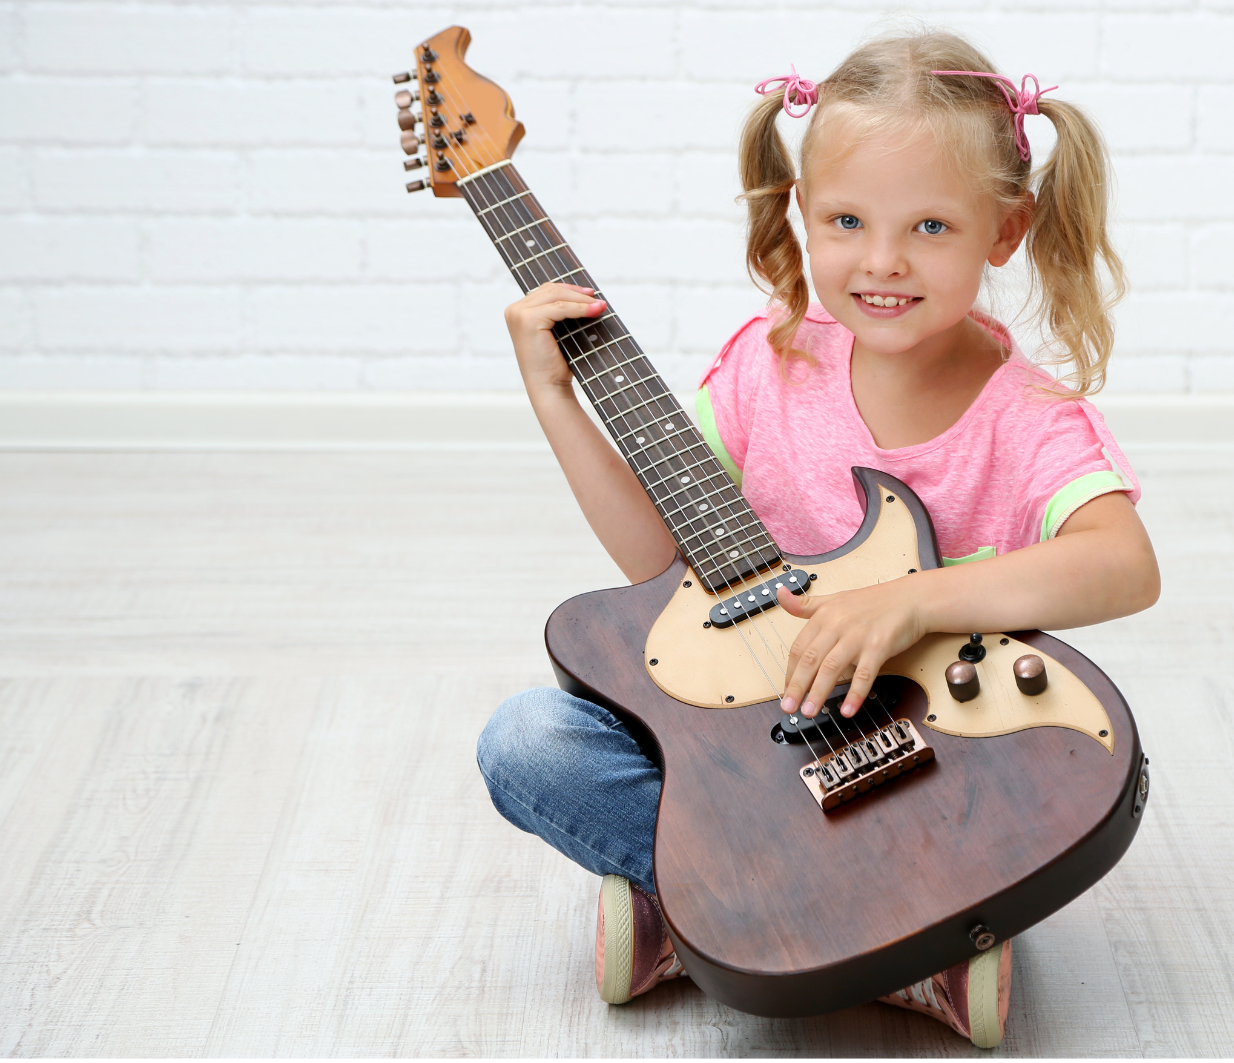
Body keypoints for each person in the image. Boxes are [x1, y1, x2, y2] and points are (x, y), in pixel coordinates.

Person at [475, 29, 1160, 1049]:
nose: (880, 262)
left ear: (1003, 231)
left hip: (929, 755)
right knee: (528, 741)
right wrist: (555, 397)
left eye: (929, 225)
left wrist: (907, 601)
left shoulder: (1023, 417)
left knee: (1052, 779)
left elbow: (1123, 564)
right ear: (801, 211)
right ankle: (888, 942)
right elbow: (656, 568)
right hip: (745, 753)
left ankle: (716, 914)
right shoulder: (767, 363)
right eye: (846, 220)